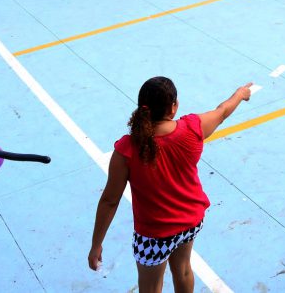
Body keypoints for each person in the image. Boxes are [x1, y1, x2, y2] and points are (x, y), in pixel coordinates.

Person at [88, 77, 252, 293]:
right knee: (183, 270)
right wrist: (240, 94)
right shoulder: (193, 127)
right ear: (173, 107)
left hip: (154, 235)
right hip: (190, 222)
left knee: (151, 287)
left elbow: (110, 201)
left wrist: (96, 244)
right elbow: (222, 112)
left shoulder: (127, 150)